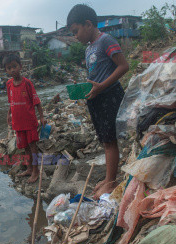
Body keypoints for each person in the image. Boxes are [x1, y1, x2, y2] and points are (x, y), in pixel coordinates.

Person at [67, 4, 129, 199]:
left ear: (88, 24)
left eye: (76, 31)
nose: (75, 36)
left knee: (110, 140)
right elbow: (96, 73)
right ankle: (109, 178)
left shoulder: (105, 41)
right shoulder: (89, 49)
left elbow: (123, 66)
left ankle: (110, 182)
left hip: (109, 96)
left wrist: (101, 86)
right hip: (97, 98)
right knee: (104, 139)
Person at [3, 54, 46, 183]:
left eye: (15, 66)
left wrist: (42, 117)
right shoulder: (9, 84)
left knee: (33, 146)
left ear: (20, 67)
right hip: (18, 122)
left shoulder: (27, 83)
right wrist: (9, 115)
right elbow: (11, 101)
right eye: (9, 68)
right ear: (6, 70)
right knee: (24, 146)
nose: (12, 70)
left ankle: (36, 171)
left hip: (29, 121)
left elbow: (36, 101)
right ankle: (28, 168)